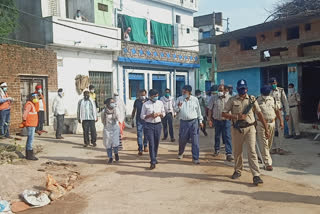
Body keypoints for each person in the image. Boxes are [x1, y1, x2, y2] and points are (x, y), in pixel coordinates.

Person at [222, 79, 269, 186]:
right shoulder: (232, 100)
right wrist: (236, 116)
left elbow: (259, 114)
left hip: (250, 128)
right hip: (237, 129)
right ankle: (238, 170)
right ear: (237, 89)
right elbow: (224, 114)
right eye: (240, 89)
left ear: (246, 89)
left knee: (252, 151)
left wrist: (266, 128)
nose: (242, 91)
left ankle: (256, 175)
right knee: (237, 152)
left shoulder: (252, 99)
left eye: (244, 88)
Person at [256, 85, 284, 171]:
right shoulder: (257, 100)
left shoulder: (272, 99)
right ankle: (268, 163)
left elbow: (277, 110)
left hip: (271, 123)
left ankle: (261, 156)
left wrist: (281, 121)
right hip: (260, 124)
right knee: (264, 143)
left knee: (269, 143)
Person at [175, 85, 204, 164]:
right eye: (183, 91)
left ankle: (195, 157)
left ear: (189, 92)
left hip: (194, 122)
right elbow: (175, 110)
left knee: (195, 140)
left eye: (185, 92)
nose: (183, 93)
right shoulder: (180, 99)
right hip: (184, 122)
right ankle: (181, 152)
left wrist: (200, 121)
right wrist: (179, 107)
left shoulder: (195, 100)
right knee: (182, 139)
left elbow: (198, 111)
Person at [140, 89, 165, 170]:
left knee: (157, 142)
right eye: (154, 96)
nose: (156, 97)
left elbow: (163, 113)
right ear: (150, 96)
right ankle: (152, 161)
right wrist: (150, 115)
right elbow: (142, 116)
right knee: (151, 143)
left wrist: (160, 114)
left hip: (158, 124)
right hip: (149, 125)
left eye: (157, 96)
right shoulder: (145, 104)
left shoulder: (160, 103)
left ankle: (155, 156)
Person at [208, 84, 233, 161]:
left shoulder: (230, 98)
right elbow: (210, 109)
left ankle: (228, 153)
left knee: (227, 136)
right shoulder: (214, 98)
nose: (219, 92)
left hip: (226, 120)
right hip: (217, 120)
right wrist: (209, 119)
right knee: (217, 136)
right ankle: (217, 150)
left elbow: (233, 109)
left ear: (226, 91)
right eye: (219, 90)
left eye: (221, 90)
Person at [269, 77, 289, 155]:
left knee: (281, 130)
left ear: (276, 83)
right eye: (272, 83)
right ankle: (273, 148)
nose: (273, 85)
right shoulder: (267, 91)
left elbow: (285, 102)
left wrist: (287, 113)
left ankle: (280, 148)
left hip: (280, 112)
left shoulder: (280, 90)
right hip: (271, 113)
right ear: (269, 84)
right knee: (272, 131)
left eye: (274, 83)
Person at [102, 98, 120, 164]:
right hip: (107, 129)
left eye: (113, 102)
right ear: (107, 104)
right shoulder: (104, 111)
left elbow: (119, 118)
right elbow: (103, 120)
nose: (113, 103)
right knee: (108, 144)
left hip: (115, 128)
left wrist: (115, 117)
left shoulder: (116, 110)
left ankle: (116, 153)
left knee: (115, 143)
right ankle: (110, 157)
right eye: (111, 102)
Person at [23, 93, 39, 161]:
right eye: (34, 97)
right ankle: (29, 155)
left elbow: (37, 110)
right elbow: (25, 114)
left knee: (31, 139)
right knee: (30, 139)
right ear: (31, 98)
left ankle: (29, 154)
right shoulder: (29, 104)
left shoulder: (33, 104)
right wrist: (24, 121)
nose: (36, 98)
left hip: (32, 124)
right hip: (30, 124)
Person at [131, 89, 148, 155]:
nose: (142, 96)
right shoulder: (137, 101)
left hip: (147, 120)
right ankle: (140, 148)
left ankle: (145, 145)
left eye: (143, 95)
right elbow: (134, 110)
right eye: (141, 95)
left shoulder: (148, 101)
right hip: (139, 120)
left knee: (146, 134)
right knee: (139, 134)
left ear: (146, 94)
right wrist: (132, 118)